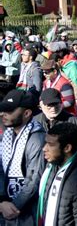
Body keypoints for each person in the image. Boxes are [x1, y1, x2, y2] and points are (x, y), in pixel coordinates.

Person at [37, 123, 77, 225]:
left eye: (51, 144)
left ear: (67, 148)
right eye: (46, 143)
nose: (44, 148)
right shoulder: (53, 164)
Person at [0, 89, 45, 225]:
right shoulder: (7, 135)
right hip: (6, 205)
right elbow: (1, 169)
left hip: (28, 210)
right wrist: (2, 201)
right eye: (3, 110)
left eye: (9, 111)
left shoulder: (37, 138)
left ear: (27, 113)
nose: (3, 114)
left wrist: (12, 207)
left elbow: (33, 180)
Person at [34, 88, 77, 159]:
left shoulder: (74, 122)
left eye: (56, 104)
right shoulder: (35, 122)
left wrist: (71, 162)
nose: (53, 108)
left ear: (61, 103)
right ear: (41, 105)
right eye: (49, 105)